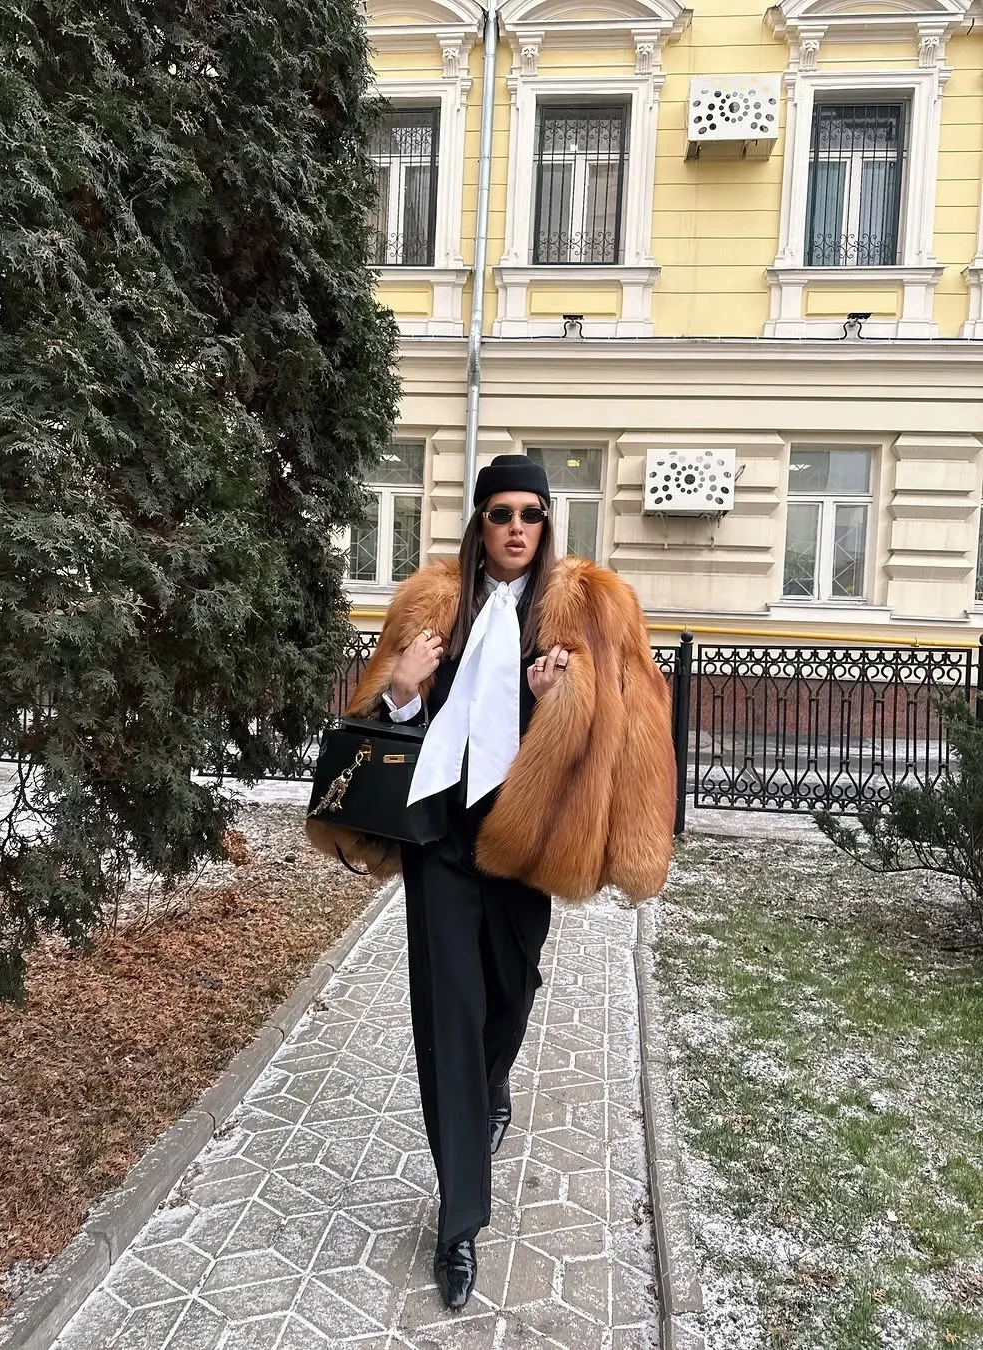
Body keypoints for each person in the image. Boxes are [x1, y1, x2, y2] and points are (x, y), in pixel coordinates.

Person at [308, 454, 675, 1311]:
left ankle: (495, 1078)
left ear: (547, 523)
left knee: (509, 993)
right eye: (500, 513)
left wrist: (556, 705)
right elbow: (381, 724)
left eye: (530, 514)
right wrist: (403, 693)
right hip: (441, 832)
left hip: (526, 838)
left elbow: (636, 726)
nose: (516, 528)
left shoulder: (589, 609)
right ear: (480, 522)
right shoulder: (432, 605)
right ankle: (459, 1219)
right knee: (449, 1015)